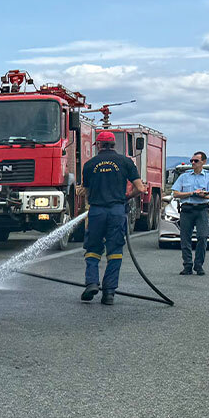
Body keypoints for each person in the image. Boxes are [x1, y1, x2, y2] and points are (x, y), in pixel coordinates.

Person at [76, 130, 146, 305]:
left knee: (92, 249)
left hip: (97, 211)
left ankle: (92, 283)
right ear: (114, 145)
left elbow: (86, 190)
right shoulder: (125, 162)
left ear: (98, 145)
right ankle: (109, 293)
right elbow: (140, 188)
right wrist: (126, 197)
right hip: (116, 210)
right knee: (114, 252)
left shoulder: (90, 164)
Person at [170, 151, 209, 276]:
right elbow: (175, 193)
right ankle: (187, 265)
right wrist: (191, 193)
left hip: (202, 209)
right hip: (187, 209)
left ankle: (199, 265)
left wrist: (204, 195)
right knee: (185, 238)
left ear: (203, 162)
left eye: (196, 161)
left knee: (202, 236)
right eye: (191, 160)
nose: (192, 163)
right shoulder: (184, 176)